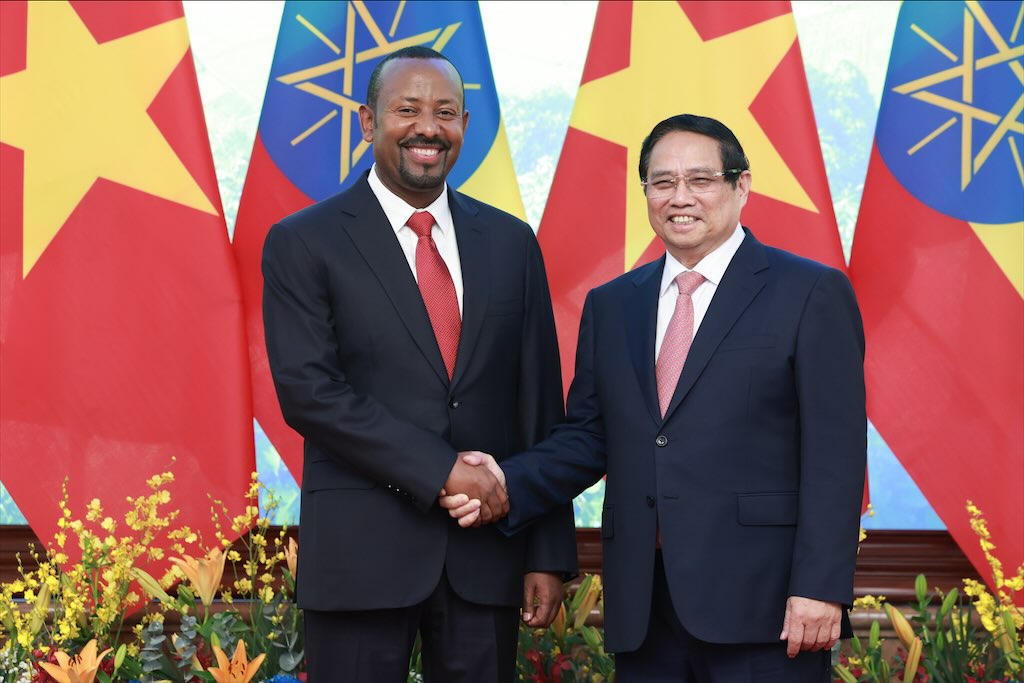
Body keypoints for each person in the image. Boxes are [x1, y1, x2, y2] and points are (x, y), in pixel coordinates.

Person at [443, 114, 867, 682]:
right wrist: (504, 482)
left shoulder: (810, 292)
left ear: (741, 186)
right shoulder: (614, 304)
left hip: (767, 609)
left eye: (701, 180)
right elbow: (589, 437)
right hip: (645, 606)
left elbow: (835, 456)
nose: (680, 197)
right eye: (662, 182)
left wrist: (819, 587)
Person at [261, 46, 577, 683]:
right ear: (367, 122)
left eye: (446, 112)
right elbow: (310, 393)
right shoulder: (304, 241)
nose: (428, 127)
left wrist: (547, 551)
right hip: (360, 556)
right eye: (407, 109)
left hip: (486, 557)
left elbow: (539, 406)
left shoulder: (512, 243)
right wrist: (443, 473)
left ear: (464, 125)